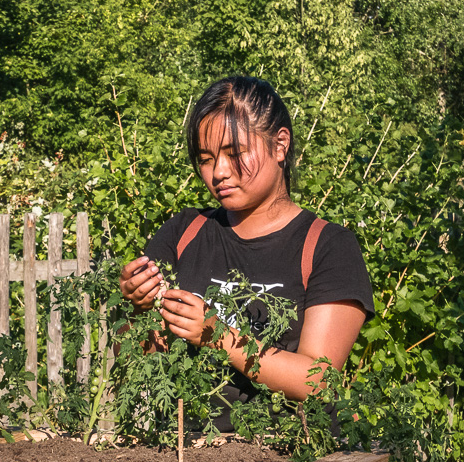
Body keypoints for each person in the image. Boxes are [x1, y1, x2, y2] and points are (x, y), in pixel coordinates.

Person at [118, 75, 373, 423]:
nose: (218, 172)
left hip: (287, 459)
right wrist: (137, 308)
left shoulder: (328, 246)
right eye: (206, 159)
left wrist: (218, 336)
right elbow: (135, 355)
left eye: (234, 153)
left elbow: (317, 381)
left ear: (280, 144)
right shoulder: (184, 231)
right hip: (184, 455)